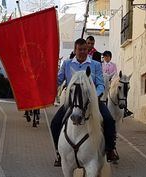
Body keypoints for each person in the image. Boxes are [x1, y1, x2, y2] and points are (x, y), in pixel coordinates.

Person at [50, 38, 119, 167]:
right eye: (79, 49)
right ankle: (59, 153)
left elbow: (100, 84)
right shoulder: (67, 64)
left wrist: (94, 96)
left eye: (84, 49)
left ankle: (110, 150)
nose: (82, 52)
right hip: (72, 103)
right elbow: (59, 81)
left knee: (109, 120)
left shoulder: (95, 65)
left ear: (88, 50)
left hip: (91, 102)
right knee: (55, 123)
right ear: (75, 50)